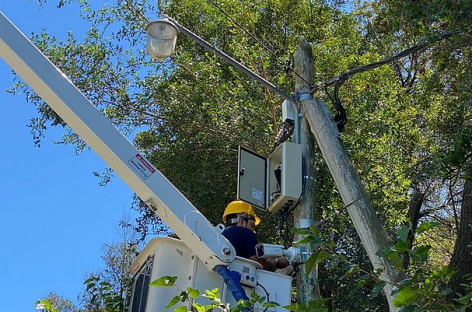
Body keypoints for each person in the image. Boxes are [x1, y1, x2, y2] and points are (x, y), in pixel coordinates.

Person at [221, 200, 289, 272]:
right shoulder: (245, 232)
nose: (253, 231)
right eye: (252, 225)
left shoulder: (221, 236)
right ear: (241, 221)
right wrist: (275, 262)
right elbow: (259, 264)